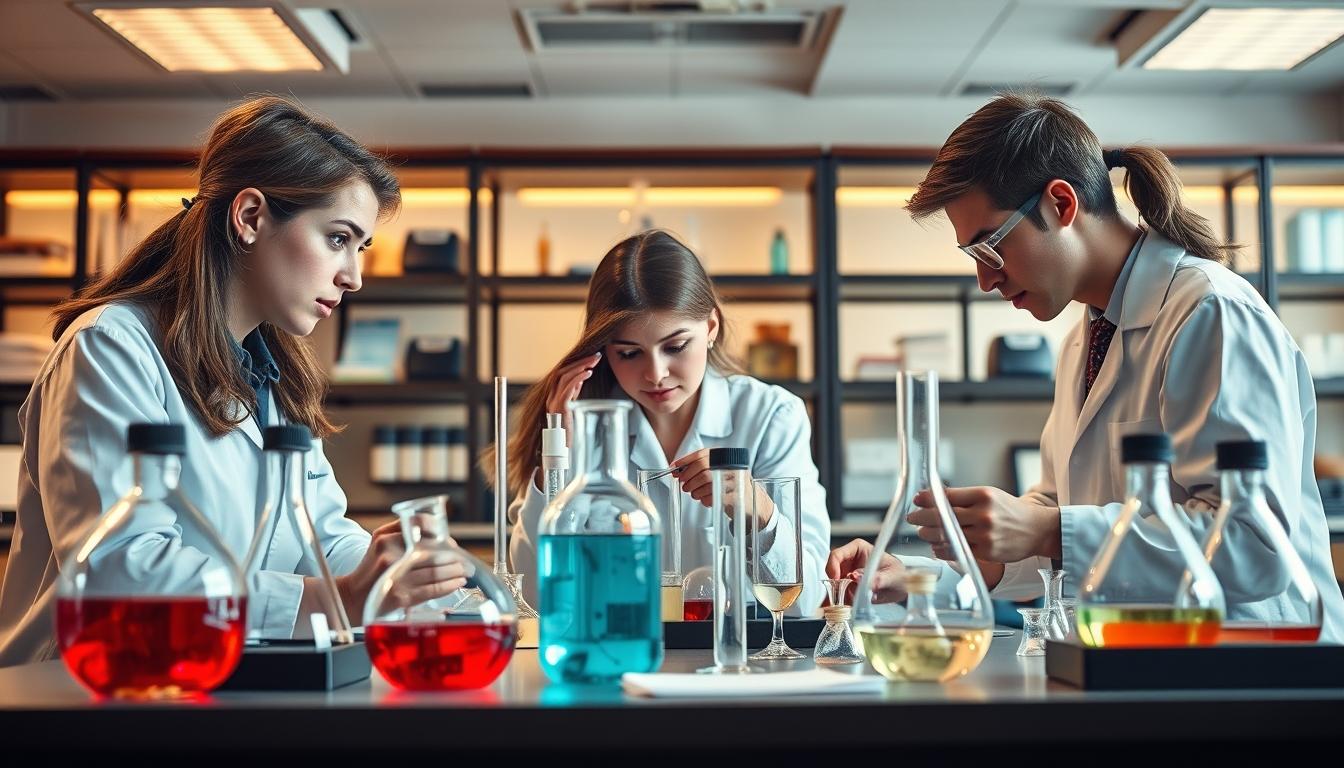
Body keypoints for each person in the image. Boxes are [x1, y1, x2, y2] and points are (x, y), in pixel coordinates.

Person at [828, 92, 1344, 641]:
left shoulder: (1211, 312)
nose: (986, 280)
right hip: (1142, 659)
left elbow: (1253, 546)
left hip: (1260, 671)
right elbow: (1059, 524)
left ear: (1061, 204)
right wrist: (918, 576)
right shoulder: (1087, 336)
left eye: (990, 248)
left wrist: (1048, 529)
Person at [0, 96, 465, 667]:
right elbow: (121, 570)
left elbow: (316, 536)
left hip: (212, 678)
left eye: (361, 247)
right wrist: (336, 598)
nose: (354, 277)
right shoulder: (112, 346)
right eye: (338, 239)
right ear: (249, 217)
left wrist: (390, 571)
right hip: (87, 693)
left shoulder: (273, 373)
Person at [497, 230, 830, 612]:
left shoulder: (770, 415)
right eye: (629, 353)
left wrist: (758, 508)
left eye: (675, 347)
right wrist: (557, 456)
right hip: (620, 656)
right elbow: (537, 600)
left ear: (710, 328)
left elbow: (805, 601)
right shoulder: (578, 428)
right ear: (603, 351)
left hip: (741, 664)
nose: (655, 374)